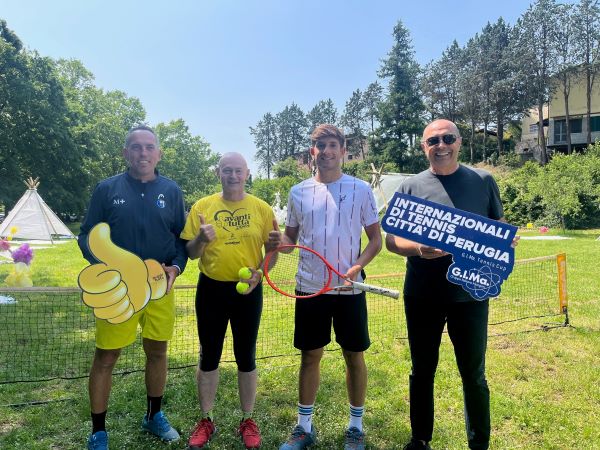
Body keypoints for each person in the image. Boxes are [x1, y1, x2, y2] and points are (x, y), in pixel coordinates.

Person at [386, 119, 511, 450]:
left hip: (469, 294)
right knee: (421, 371)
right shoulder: (410, 187)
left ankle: (479, 442)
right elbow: (391, 240)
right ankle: (420, 439)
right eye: (433, 140)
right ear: (423, 147)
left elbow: (497, 227)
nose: (441, 145)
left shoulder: (482, 181)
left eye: (447, 138)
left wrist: (503, 243)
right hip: (422, 294)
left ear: (459, 142)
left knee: (474, 374)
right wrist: (418, 250)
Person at [78, 125, 187, 450]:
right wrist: (104, 265)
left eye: (149, 147)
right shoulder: (106, 189)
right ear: (125, 153)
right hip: (118, 291)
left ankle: (154, 415)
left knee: (157, 352)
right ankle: (99, 432)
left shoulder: (172, 190)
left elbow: (181, 241)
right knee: (106, 357)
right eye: (136, 147)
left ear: (158, 153)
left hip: (159, 288)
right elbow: (86, 235)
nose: (143, 153)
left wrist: (176, 268)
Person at [279, 124, 382, 450]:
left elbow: (375, 240)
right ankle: (303, 428)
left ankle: (355, 427)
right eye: (318, 145)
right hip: (310, 288)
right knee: (310, 356)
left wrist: (358, 265)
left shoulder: (362, 189)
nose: (325, 151)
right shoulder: (298, 192)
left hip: (349, 290)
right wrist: (275, 241)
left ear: (343, 149)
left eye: (331, 145)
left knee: (354, 356)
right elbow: (289, 240)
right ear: (312, 151)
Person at [181, 152, 282, 450]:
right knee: (209, 355)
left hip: (248, 292)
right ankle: (206, 419)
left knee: (246, 356)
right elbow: (190, 253)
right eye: (227, 170)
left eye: (238, 171)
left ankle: (248, 419)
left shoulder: (261, 208)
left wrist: (260, 274)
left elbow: (272, 249)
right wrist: (200, 238)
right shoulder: (203, 207)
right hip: (210, 289)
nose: (233, 176)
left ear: (247, 173)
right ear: (218, 173)